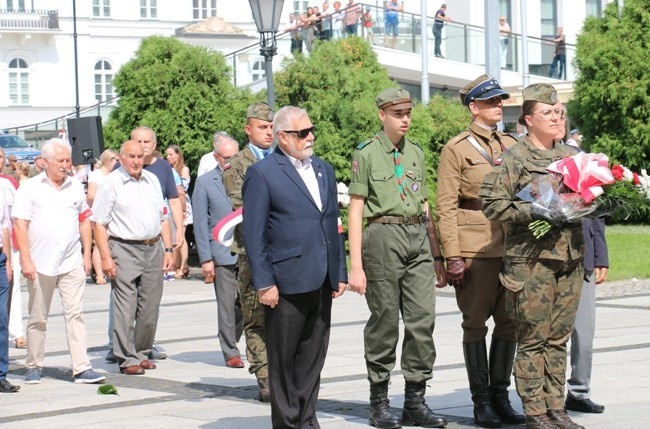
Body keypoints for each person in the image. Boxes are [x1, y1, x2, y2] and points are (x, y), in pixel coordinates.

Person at [479, 83, 586, 429]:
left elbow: (585, 195)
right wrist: (536, 210)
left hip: (569, 258)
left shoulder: (572, 156)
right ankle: (535, 411)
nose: (557, 118)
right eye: (548, 113)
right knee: (533, 339)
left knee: (559, 338)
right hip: (531, 261)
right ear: (527, 120)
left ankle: (557, 408)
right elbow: (492, 204)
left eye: (560, 113)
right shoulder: (514, 158)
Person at [242, 106, 348, 428]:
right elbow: (254, 234)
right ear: (282, 137)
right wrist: (264, 283)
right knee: (284, 362)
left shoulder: (323, 169)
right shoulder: (263, 174)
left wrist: (339, 271)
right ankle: (288, 423)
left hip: (321, 277)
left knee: (313, 358)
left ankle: (307, 418)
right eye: (303, 133)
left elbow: (331, 222)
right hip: (285, 282)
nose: (310, 136)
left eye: (311, 130)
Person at [347, 88, 447, 429]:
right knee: (385, 321)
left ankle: (415, 401)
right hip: (382, 237)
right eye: (397, 114)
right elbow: (356, 208)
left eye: (407, 113)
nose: (405, 119)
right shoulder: (366, 153)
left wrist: (436, 255)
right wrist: (356, 265)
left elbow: (424, 205)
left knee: (422, 320)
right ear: (382, 116)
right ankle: (379, 401)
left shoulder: (416, 152)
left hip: (417, 237)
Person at [436, 75, 525, 429]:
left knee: (509, 324)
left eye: (501, 101)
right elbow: (445, 206)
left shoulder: (510, 143)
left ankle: (501, 397)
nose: (499, 106)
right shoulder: (456, 148)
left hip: (510, 246)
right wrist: (452, 255)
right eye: (491, 102)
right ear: (474, 107)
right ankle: (481, 402)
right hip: (475, 247)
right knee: (474, 325)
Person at [13, 138, 106, 385]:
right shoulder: (30, 188)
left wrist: (87, 255)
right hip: (40, 263)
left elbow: (85, 220)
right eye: (61, 160)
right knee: (37, 317)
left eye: (68, 160)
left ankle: (81, 367)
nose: (66, 165)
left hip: (71, 260)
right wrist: (26, 259)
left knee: (75, 314)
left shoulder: (75, 186)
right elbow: (20, 225)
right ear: (45, 162)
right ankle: (33, 365)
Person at [91, 139, 174, 376]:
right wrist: (106, 258)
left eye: (140, 156)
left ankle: (142, 351)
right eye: (131, 156)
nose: (136, 161)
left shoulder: (152, 180)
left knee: (150, 305)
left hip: (153, 246)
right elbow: (98, 223)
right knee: (125, 306)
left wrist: (168, 250)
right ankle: (126, 357)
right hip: (124, 247)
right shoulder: (112, 183)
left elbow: (163, 218)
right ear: (122, 158)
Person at [222, 102, 274, 402]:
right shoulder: (237, 164)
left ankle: (281, 372)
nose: (268, 132)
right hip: (251, 250)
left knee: (283, 317)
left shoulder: (283, 158)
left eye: (271, 127)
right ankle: (264, 376)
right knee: (255, 316)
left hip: (281, 249)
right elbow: (241, 201)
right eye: (262, 127)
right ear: (248, 129)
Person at [192, 133, 244, 369]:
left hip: (246, 250)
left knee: (244, 303)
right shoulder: (204, 183)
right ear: (216, 157)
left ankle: (231, 337)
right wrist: (205, 259)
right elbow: (200, 223)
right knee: (226, 302)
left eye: (235, 156)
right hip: (221, 252)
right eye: (226, 157)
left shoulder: (249, 178)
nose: (231, 161)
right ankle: (230, 351)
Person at [87, 149, 119, 285]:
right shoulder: (96, 175)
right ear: (109, 160)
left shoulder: (115, 175)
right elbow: (91, 195)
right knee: (99, 243)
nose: (118, 163)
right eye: (116, 160)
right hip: (98, 213)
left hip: (113, 214)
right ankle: (99, 274)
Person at [0, 172, 18, 393]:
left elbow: (4, 226)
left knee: (2, 319)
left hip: (0, 260)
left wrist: (8, 261)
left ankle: (1, 374)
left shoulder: (3, 186)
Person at [166, 144, 193, 279]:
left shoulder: (183, 169)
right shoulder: (168, 169)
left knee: (181, 235)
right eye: (167, 155)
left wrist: (182, 209)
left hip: (183, 203)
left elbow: (183, 188)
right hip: (172, 203)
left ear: (178, 155)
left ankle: (184, 265)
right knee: (173, 236)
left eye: (171, 154)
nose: (169, 157)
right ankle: (176, 265)